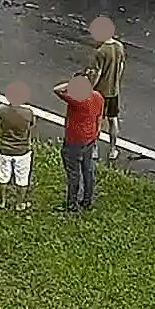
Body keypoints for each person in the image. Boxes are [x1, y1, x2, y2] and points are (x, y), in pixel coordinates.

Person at [55, 75, 102, 213]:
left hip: (74, 140)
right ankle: (88, 200)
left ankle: (72, 204)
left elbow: (57, 89)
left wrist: (70, 84)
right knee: (88, 170)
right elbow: (99, 117)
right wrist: (96, 135)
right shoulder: (97, 97)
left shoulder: (77, 101)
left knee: (73, 173)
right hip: (90, 138)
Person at [83, 17, 126, 162]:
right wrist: (116, 82)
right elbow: (120, 67)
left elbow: (97, 73)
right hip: (114, 90)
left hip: (100, 92)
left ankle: (94, 148)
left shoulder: (100, 52)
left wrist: (90, 88)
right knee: (113, 119)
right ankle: (113, 149)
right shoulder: (119, 47)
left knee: (97, 120)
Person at [0, 83, 36, 211]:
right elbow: (31, 126)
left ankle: (2, 200)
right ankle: (19, 203)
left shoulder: (2, 110)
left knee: (3, 175)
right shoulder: (28, 113)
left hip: (5, 148)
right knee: (22, 178)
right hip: (22, 150)